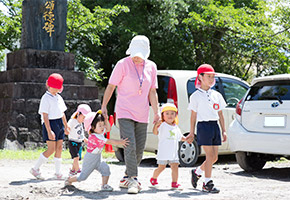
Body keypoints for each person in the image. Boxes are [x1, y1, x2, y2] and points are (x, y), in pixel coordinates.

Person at [101, 35, 160, 194]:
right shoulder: (122, 64)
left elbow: (152, 91)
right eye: (134, 55)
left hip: (142, 112)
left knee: (140, 149)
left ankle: (126, 176)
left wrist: (157, 112)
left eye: (140, 56)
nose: (136, 58)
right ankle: (134, 179)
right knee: (129, 144)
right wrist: (104, 106)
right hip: (124, 110)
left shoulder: (152, 67)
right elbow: (111, 86)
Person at [186, 64, 227, 193]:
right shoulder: (195, 96)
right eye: (208, 76)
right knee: (209, 156)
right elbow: (193, 116)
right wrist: (192, 132)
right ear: (200, 77)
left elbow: (220, 114)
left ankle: (197, 172)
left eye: (212, 76)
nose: (211, 79)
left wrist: (223, 130)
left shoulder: (216, 95)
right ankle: (207, 183)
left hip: (214, 126)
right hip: (203, 126)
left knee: (214, 158)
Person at [65, 111, 129, 191]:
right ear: (92, 127)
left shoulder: (100, 132)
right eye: (100, 125)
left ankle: (104, 185)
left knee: (105, 169)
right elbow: (109, 141)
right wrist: (120, 142)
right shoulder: (95, 136)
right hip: (90, 159)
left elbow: (108, 129)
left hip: (98, 158)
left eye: (103, 124)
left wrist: (106, 119)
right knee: (82, 177)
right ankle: (69, 180)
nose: (103, 127)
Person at [30, 73, 69, 180]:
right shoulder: (45, 98)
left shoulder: (59, 98)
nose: (55, 90)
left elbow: (62, 113)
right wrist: (49, 130)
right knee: (51, 149)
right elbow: (45, 115)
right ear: (48, 85)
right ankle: (35, 169)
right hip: (50, 124)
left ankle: (58, 173)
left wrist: (66, 126)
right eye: (53, 88)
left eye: (57, 88)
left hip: (59, 123)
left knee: (59, 148)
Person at [150, 103, 186, 189]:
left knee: (175, 166)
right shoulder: (162, 125)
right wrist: (156, 125)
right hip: (163, 152)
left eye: (172, 113)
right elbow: (155, 132)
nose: (170, 115)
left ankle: (174, 183)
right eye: (167, 113)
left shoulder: (176, 127)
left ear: (175, 115)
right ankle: (153, 178)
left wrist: (187, 139)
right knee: (161, 167)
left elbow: (180, 137)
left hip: (173, 153)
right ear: (163, 115)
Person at [67, 104, 91, 177]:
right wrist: (66, 130)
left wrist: (84, 139)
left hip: (79, 142)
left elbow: (81, 132)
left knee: (77, 158)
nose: (84, 120)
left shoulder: (80, 123)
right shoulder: (72, 121)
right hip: (73, 142)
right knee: (76, 157)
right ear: (78, 114)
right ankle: (78, 171)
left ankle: (73, 170)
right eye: (83, 117)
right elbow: (67, 127)